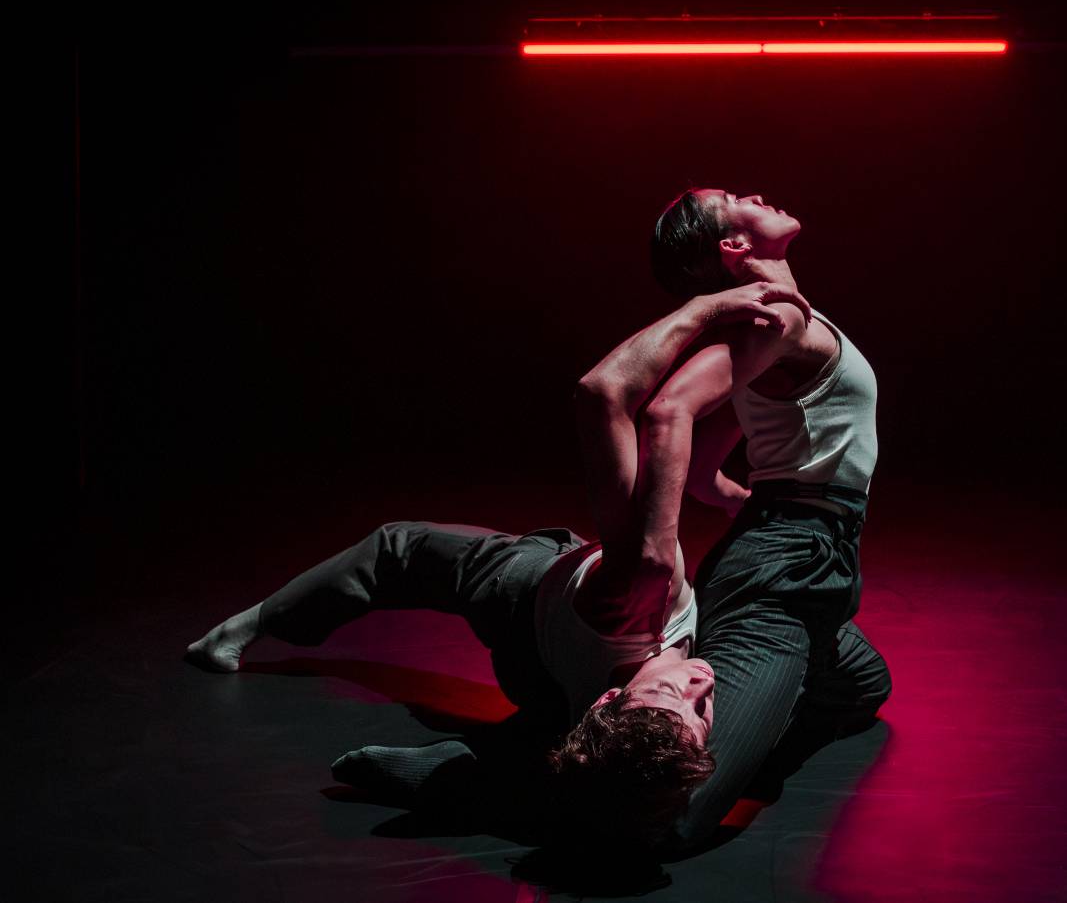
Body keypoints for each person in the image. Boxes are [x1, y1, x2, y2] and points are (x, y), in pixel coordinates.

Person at [183, 281, 812, 849]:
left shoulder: (642, 580)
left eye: (674, 690)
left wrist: (700, 309)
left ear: (608, 700)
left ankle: (241, 631)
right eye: (701, 710)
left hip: (519, 589)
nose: (703, 680)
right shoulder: (631, 720)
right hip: (548, 680)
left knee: (395, 549)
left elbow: (602, 394)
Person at [646, 187, 893, 849]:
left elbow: (704, 472)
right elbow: (670, 412)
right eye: (732, 199)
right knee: (674, 809)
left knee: (866, 685)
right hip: (783, 573)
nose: (752, 192)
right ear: (734, 247)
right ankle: (506, 778)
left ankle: (736, 702)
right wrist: (660, 552)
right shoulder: (773, 323)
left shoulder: (781, 326)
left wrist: (756, 504)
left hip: (805, 555)